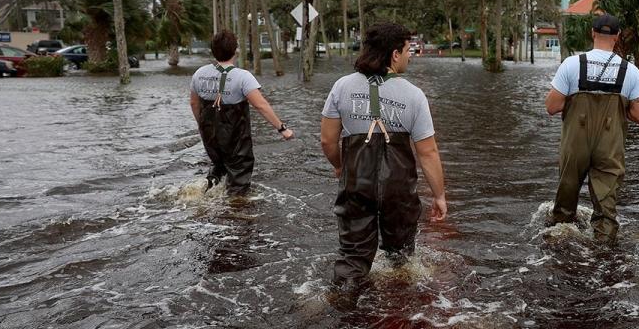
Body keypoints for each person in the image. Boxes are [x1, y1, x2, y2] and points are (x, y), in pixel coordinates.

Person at [320, 22, 447, 290]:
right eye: (407, 49)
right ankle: (397, 313)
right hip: (398, 191)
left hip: (356, 183)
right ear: (394, 54)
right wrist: (439, 195)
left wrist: (341, 167)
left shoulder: (342, 87)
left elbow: (328, 140)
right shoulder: (414, 96)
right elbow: (428, 153)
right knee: (400, 261)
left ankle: (340, 303)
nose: (410, 55)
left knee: (352, 259)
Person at [545, 14, 639, 241]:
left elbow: (552, 106)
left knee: (565, 202)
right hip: (610, 145)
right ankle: (604, 253)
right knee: (606, 208)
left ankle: (559, 247)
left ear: (592, 33)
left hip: (575, 143)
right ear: (617, 36)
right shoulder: (629, 71)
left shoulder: (572, 64)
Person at [189, 30, 294, 195]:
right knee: (239, 171)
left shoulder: (199, 74)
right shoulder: (243, 77)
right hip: (234, 137)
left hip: (209, 133)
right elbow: (261, 105)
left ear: (213, 50)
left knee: (218, 165)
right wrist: (282, 128)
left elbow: (194, 103)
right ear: (235, 50)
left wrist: (203, 126)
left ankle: (204, 196)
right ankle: (235, 210)